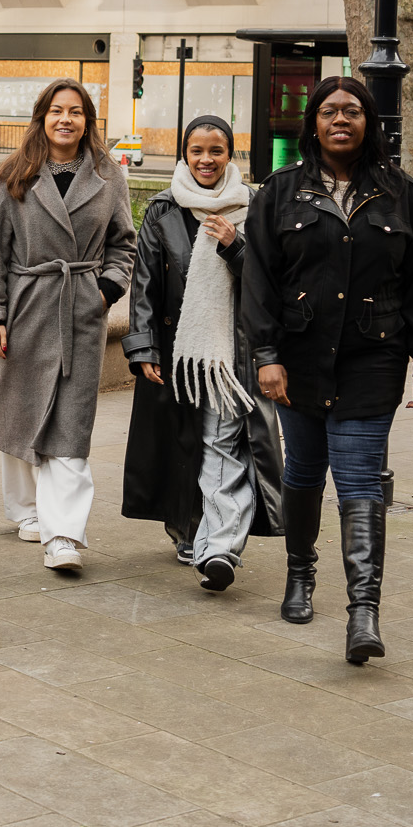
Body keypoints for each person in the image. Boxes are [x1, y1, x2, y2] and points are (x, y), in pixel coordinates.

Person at [243, 76, 413, 664]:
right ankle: (300, 573)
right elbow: (258, 281)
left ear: (369, 122)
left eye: (351, 111)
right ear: (312, 123)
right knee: (305, 469)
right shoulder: (280, 193)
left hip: (373, 355)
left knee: (359, 479)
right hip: (298, 359)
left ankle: (364, 614)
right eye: (328, 111)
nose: (340, 120)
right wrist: (266, 355)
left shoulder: (400, 193)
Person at [0, 78, 136, 573]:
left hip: (80, 311)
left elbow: (124, 244)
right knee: (20, 412)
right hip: (26, 306)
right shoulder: (12, 175)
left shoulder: (110, 177)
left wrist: (103, 292)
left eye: (76, 112)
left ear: (88, 121)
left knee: (71, 424)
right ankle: (26, 510)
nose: (66, 119)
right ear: (42, 118)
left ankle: (63, 534)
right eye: (56, 111)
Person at [123, 115, 283, 591]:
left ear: (230, 154)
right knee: (183, 444)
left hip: (232, 355)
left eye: (216, 151)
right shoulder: (164, 208)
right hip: (179, 354)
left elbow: (273, 279)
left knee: (220, 442)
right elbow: (145, 284)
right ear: (184, 154)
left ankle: (220, 546)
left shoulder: (254, 206)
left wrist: (236, 247)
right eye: (197, 150)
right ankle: (190, 531)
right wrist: (143, 347)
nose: (206, 160)